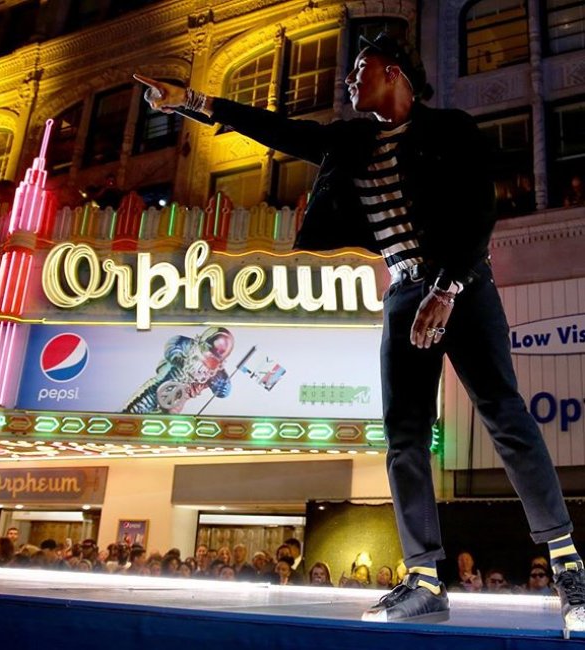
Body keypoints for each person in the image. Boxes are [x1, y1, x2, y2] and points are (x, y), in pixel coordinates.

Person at [136, 30, 585, 629]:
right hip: (403, 292)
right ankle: (425, 580)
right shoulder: (350, 141)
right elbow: (279, 130)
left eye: (360, 68)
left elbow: (480, 209)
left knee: (504, 414)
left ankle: (568, 566)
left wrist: (446, 289)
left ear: (395, 71)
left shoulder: (449, 128)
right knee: (404, 436)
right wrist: (190, 101)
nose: (349, 80)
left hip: (464, 285)